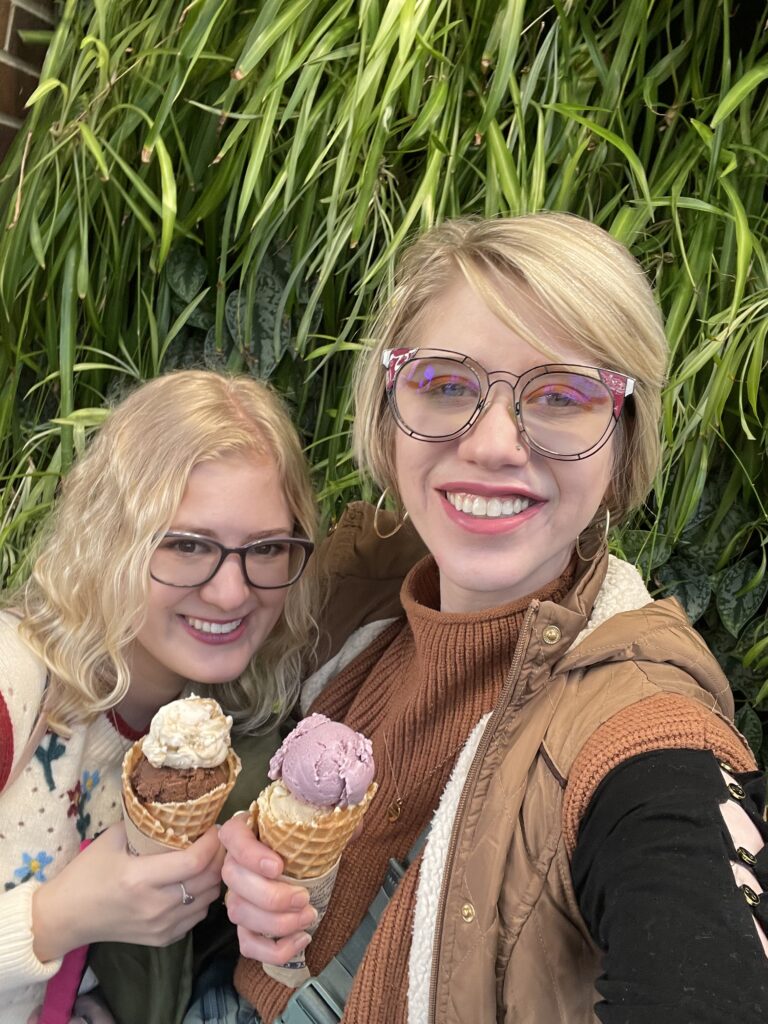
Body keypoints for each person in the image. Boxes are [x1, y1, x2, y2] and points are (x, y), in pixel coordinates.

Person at [215, 214, 768, 1024]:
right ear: (387, 412)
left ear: (623, 442)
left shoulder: (642, 731)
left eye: (564, 395)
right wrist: (263, 876)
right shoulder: (344, 600)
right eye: (445, 383)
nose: (495, 443)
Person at [0, 369, 318, 1024]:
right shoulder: (14, 684)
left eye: (266, 550)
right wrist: (58, 918)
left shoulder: (220, 726)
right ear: (109, 539)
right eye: (186, 545)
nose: (232, 593)